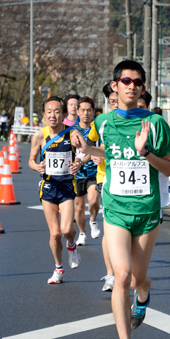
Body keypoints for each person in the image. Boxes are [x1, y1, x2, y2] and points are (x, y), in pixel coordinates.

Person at [72, 60, 170, 339]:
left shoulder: (156, 123)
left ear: (142, 88)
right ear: (115, 86)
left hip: (146, 212)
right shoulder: (103, 122)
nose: (132, 86)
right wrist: (88, 148)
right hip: (115, 209)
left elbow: (169, 168)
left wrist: (145, 153)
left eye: (137, 82)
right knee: (121, 276)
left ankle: (144, 293)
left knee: (138, 278)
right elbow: (108, 152)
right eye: (126, 80)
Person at [28, 96, 81, 284]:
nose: (53, 115)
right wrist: (38, 167)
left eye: (57, 111)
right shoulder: (39, 135)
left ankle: (72, 246)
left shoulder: (72, 133)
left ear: (64, 114)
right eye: (49, 112)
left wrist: (78, 163)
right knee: (55, 233)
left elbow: (85, 153)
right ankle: (58, 269)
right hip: (48, 188)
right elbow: (31, 161)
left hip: (67, 187)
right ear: (44, 115)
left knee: (67, 229)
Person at [89, 81, 118, 292]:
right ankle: (110, 274)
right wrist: (91, 155)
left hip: (134, 188)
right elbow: (89, 144)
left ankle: (127, 273)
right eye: (112, 101)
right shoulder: (102, 121)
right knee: (109, 230)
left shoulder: (142, 120)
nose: (116, 104)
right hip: (106, 179)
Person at [73, 96, 101, 246]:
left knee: (94, 200)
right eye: (82, 110)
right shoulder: (71, 131)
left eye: (89, 110)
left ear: (93, 112)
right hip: (77, 174)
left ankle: (93, 221)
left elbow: (96, 149)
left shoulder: (98, 129)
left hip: (93, 172)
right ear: (77, 111)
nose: (86, 113)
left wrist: (84, 160)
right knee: (78, 207)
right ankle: (82, 233)